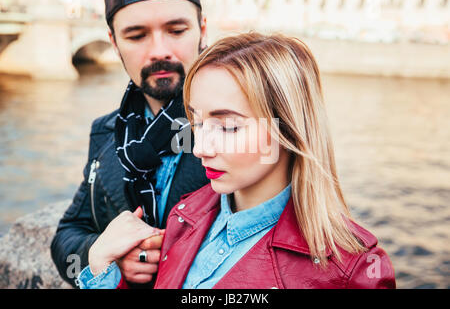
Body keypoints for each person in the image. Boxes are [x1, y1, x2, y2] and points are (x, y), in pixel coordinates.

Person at [82, 32, 396, 289]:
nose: (200, 148)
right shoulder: (183, 214)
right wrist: (100, 268)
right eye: (198, 123)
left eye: (228, 126)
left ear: (288, 128)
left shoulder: (353, 271)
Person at [51, 0, 210, 289]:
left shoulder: (248, 130)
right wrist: (100, 254)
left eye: (176, 30)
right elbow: (68, 234)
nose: (159, 51)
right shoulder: (106, 130)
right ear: (114, 43)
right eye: (137, 36)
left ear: (202, 30)